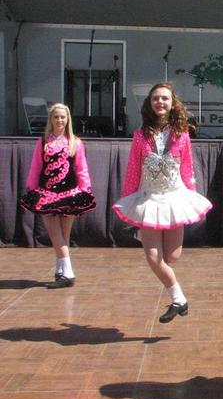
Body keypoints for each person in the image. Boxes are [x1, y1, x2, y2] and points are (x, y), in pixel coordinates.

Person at [112, 83, 212, 323]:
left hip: (175, 197)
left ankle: (176, 294)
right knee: (154, 258)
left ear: (172, 103)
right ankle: (179, 299)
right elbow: (134, 169)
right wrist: (128, 197)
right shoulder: (140, 135)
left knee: (172, 257)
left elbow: (187, 167)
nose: (160, 102)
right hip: (149, 198)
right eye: (156, 98)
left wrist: (191, 196)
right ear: (150, 103)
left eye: (165, 98)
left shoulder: (182, 134)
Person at [20, 103, 96, 289]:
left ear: (67, 119)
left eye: (63, 117)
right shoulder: (43, 141)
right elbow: (36, 167)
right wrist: (31, 187)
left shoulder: (74, 142)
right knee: (55, 233)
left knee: (63, 234)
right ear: (51, 119)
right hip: (47, 193)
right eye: (56, 117)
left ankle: (64, 271)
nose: (59, 120)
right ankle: (64, 270)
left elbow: (81, 168)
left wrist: (85, 189)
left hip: (70, 193)